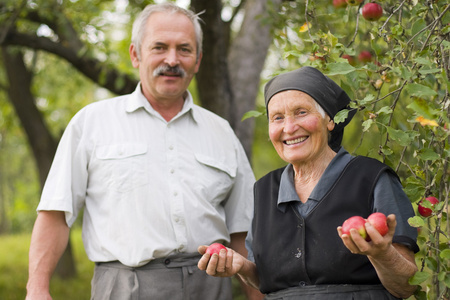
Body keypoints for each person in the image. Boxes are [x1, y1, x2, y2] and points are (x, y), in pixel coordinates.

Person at [26, 3, 261, 300]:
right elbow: (55, 213)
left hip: (211, 287)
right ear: (135, 54)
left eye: (184, 49)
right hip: (124, 287)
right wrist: (37, 289)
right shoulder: (91, 123)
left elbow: (243, 230)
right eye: (159, 47)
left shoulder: (222, 132)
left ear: (198, 60)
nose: (172, 60)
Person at [198, 66, 419, 299]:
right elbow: (269, 280)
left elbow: (406, 286)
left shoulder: (372, 178)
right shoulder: (263, 190)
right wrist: (241, 267)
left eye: (301, 112)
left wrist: (383, 254)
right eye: (278, 118)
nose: (289, 128)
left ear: (330, 120)